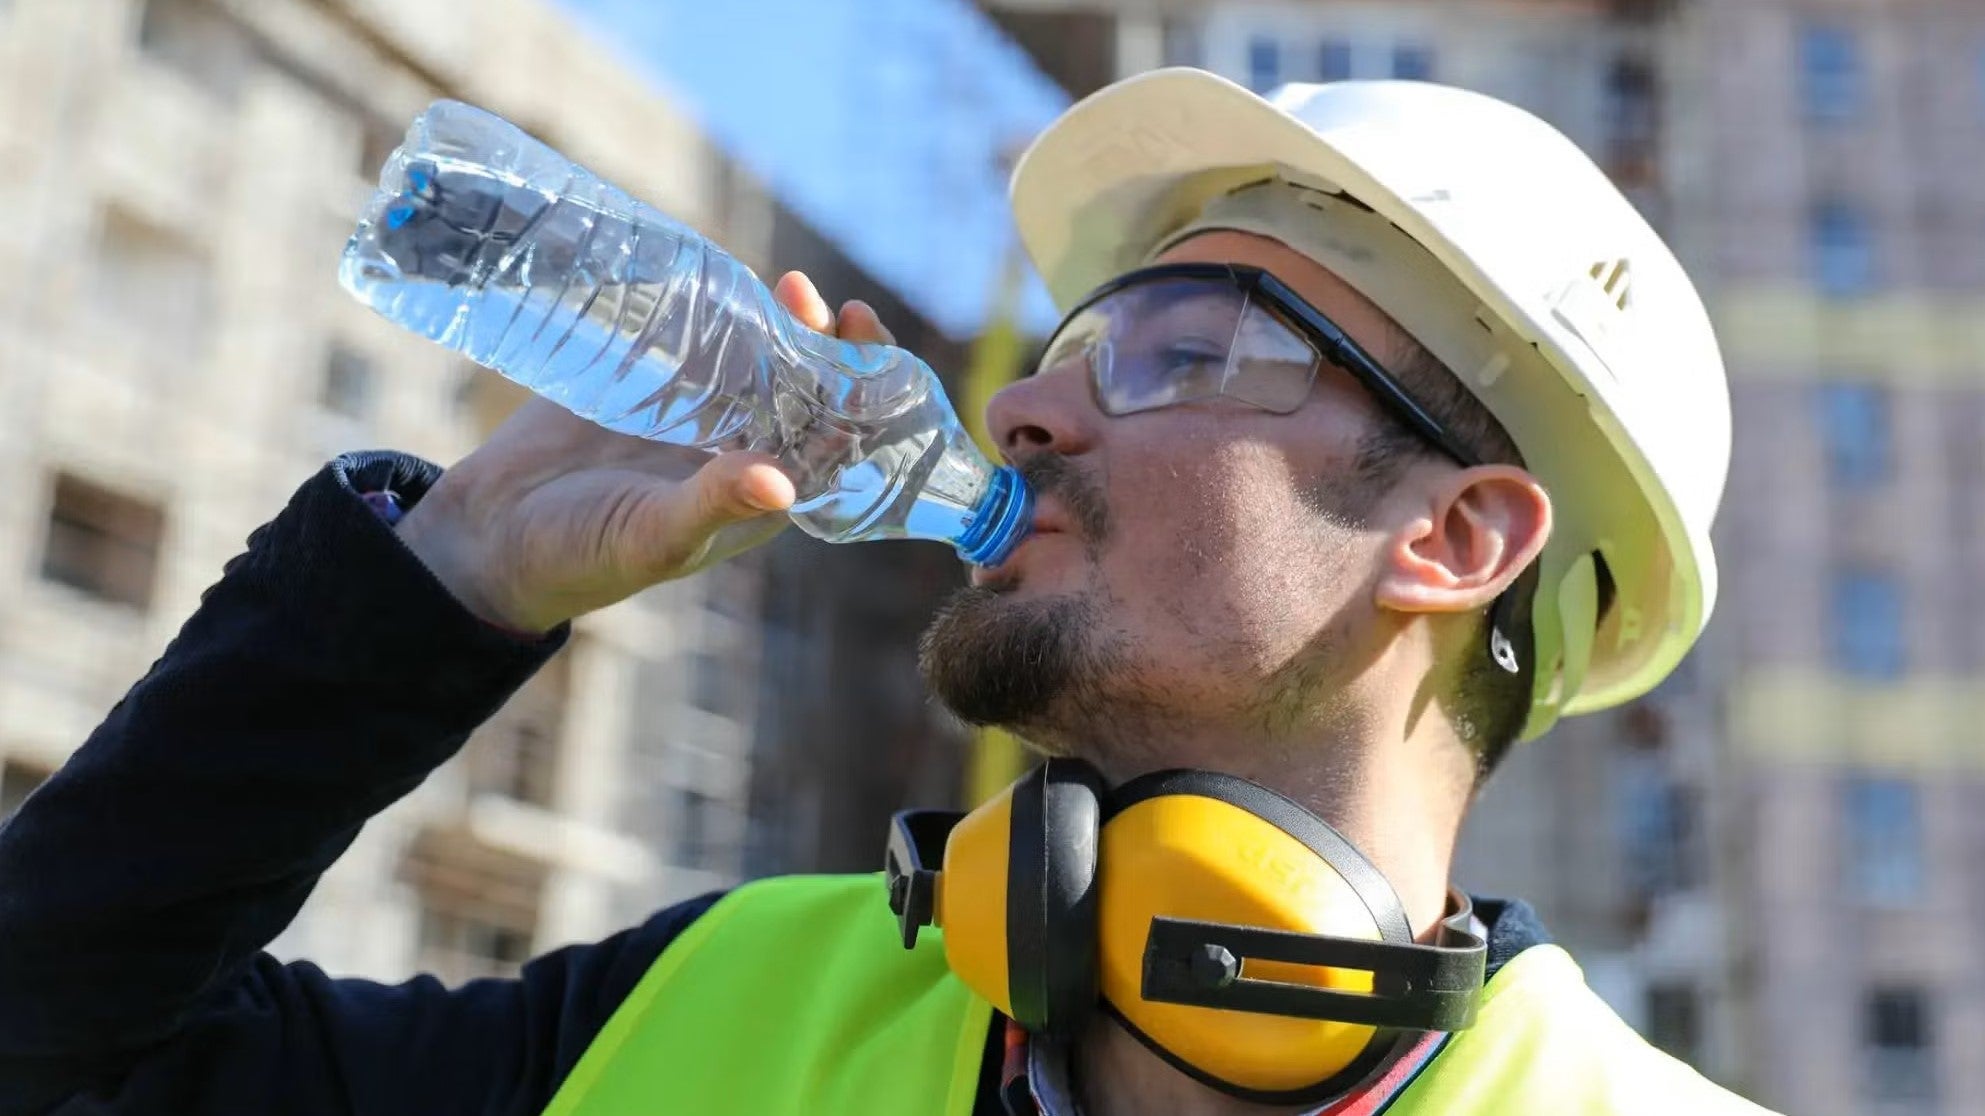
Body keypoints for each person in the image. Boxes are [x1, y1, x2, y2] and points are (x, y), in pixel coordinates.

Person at [0, 69, 1779, 1116]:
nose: (1020, 402)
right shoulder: (724, 997)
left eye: (1178, 350)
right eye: (1075, 337)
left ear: (1455, 540)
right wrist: (440, 578)